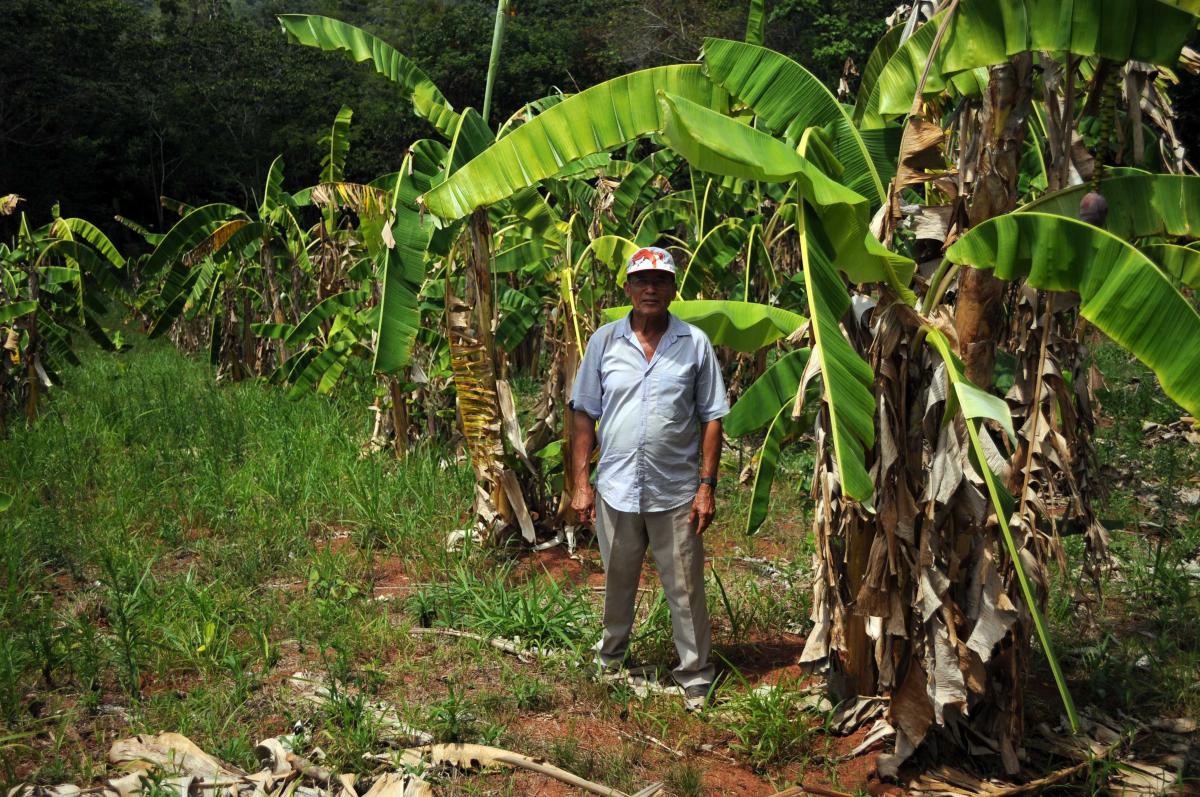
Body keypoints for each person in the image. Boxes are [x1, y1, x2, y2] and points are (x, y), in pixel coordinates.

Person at [569, 245, 729, 710]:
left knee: (684, 586)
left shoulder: (694, 344)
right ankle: (611, 659)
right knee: (617, 580)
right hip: (616, 487)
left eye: (660, 280)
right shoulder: (604, 342)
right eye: (641, 280)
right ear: (628, 289)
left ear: (674, 288)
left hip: (676, 490)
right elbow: (584, 414)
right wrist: (581, 484)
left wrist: (707, 486)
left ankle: (696, 673)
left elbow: (713, 417)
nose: (650, 288)